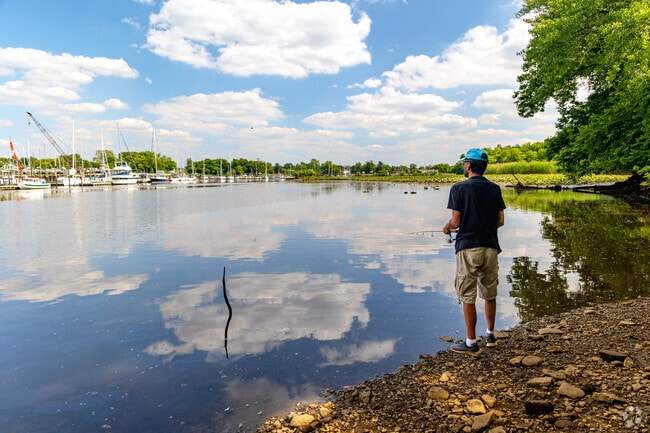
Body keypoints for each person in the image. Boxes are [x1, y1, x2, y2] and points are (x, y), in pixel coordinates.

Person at [442, 148, 505, 355]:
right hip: (491, 247)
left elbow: (456, 222)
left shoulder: (458, 188)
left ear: (469, 165)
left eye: (464, 163)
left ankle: (470, 342)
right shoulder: (495, 188)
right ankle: (490, 334)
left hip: (468, 248)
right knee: (489, 293)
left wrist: (447, 227)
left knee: (468, 294)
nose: (463, 166)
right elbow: (500, 221)